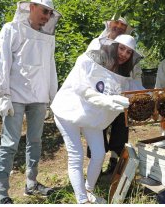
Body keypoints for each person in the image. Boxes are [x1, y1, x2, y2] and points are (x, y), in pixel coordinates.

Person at [50, 34, 143, 204]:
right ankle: (82, 200)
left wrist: (154, 95)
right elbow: (81, 89)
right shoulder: (86, 60)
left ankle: (88, 190)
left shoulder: (124, 73)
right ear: (113, 46)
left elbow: (136, 89)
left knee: (99, 154)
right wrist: (107, 101)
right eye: (121, 48)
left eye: (129, 52)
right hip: (68, 111)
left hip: (91, 117)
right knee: (76, 155)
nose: (124, 54)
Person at [0, 0, 61, 204]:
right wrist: (2, 94)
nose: (47, 17)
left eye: (50, 13)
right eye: (44, 11)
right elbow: (1, 61)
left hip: (39, 98)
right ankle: (2, 192)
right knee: (9, 144)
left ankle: (31, 183)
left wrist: (51, 98)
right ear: (31, 7)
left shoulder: (47, 37)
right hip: (15, 96)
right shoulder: (11, 29)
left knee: (36, 142)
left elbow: (50, 68)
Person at [86, 15, 143, 175]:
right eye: (116, 23)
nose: (118, 26)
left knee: (120, 130)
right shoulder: (96, 43)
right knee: (98, 129)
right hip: (99, 97)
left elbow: (136, 75)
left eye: (122, 25)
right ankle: (95, 167)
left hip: (121, 98)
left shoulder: (129, 49)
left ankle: (114, 162)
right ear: (109, 24)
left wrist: (138, 93)